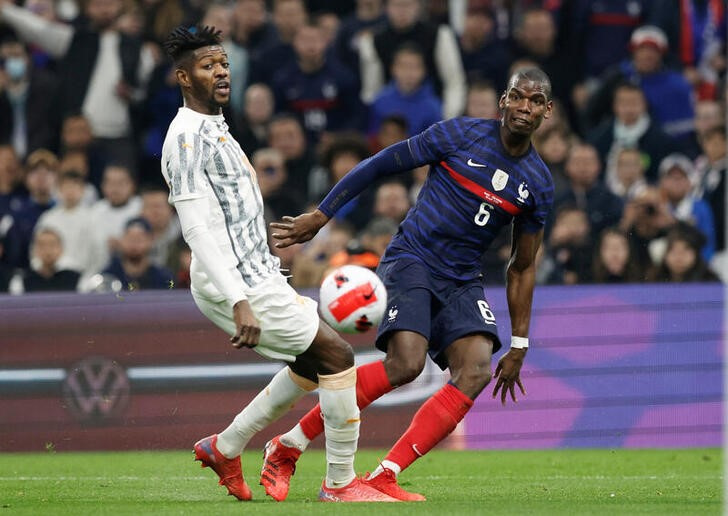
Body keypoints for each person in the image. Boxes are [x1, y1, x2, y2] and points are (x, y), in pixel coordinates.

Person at [268, 67, 555, 501]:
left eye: (535, 101)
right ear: (503, 100)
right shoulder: (459, 135)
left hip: (461, 278)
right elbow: (380, 163)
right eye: (517, 96)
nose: (524, 107)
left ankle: (385, 474)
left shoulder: (538, 183)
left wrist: (519, 344)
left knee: (476, 369)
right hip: (413, 259)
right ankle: (289, 443)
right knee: (406, 364)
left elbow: (523, 265)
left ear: (547, 111)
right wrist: (321, 215)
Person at [159, 25, 394, 502]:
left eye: (223, 62)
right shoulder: (184, 138)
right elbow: (197, 230)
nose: (221, 71)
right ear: (184, 78)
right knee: (338, 357)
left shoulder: (215, 125)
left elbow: (228, 209)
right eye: (207, 66)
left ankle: (225, 447)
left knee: (312, 363)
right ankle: (341, 484)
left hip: (256, 271)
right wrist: (239, 300)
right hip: (237, 281)